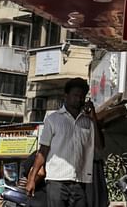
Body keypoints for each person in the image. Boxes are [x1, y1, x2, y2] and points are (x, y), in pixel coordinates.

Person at [27, 78, 104, 207]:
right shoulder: (52, 119)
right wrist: (32, 179)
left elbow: (100, 146)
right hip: (56, 182)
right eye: (75, 95)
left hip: (79, 182)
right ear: (66, 96)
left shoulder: (88, 122)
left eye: (82, 96)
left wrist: (93, 117)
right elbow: (43, 151)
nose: (79, 99)